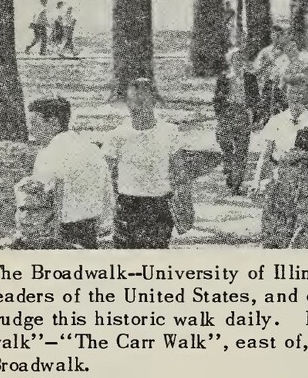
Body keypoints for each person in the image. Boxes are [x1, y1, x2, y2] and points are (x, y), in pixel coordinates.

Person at [249, 74, 308, 249]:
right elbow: (265, 155)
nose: (296, 97)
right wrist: (256, 181)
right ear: (286, 95)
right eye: (292, 93)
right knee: (275, 234)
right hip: (280, 180)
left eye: (300, 93)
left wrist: (304, 154)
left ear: (307, 96)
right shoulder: (276, 121)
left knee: (303, 235)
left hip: (307, 182)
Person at [102, 78, 190, 249]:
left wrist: (187, 207)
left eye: (143, 100)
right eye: (132, 101)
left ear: (154, 101)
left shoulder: (170, 132)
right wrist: (106, 210)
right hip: (127, 207)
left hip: (159, 206)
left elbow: (180, 174)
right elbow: (104, 176)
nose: (137, 106)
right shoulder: (116, 135)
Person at [19, 97, 114, 249]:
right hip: (91, 228)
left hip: (60, 230)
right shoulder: (91, 148)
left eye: (35, 123)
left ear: (54, 123)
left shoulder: (48, 153)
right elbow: (107, 190)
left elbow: (48, 195)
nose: (30, 129)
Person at [214, 48, 260, 195]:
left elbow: (255, 99)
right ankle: (230, 176)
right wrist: (221, 116)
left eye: (241, 60)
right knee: (226, 148)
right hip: (227, 115)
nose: (238, 62)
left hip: (243, 115)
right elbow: (217, 100)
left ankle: (236, 184)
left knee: (241, 151)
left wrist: (253, 118)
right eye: (236, 59)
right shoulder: (224, 78)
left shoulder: (250, 78)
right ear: (231, 61)